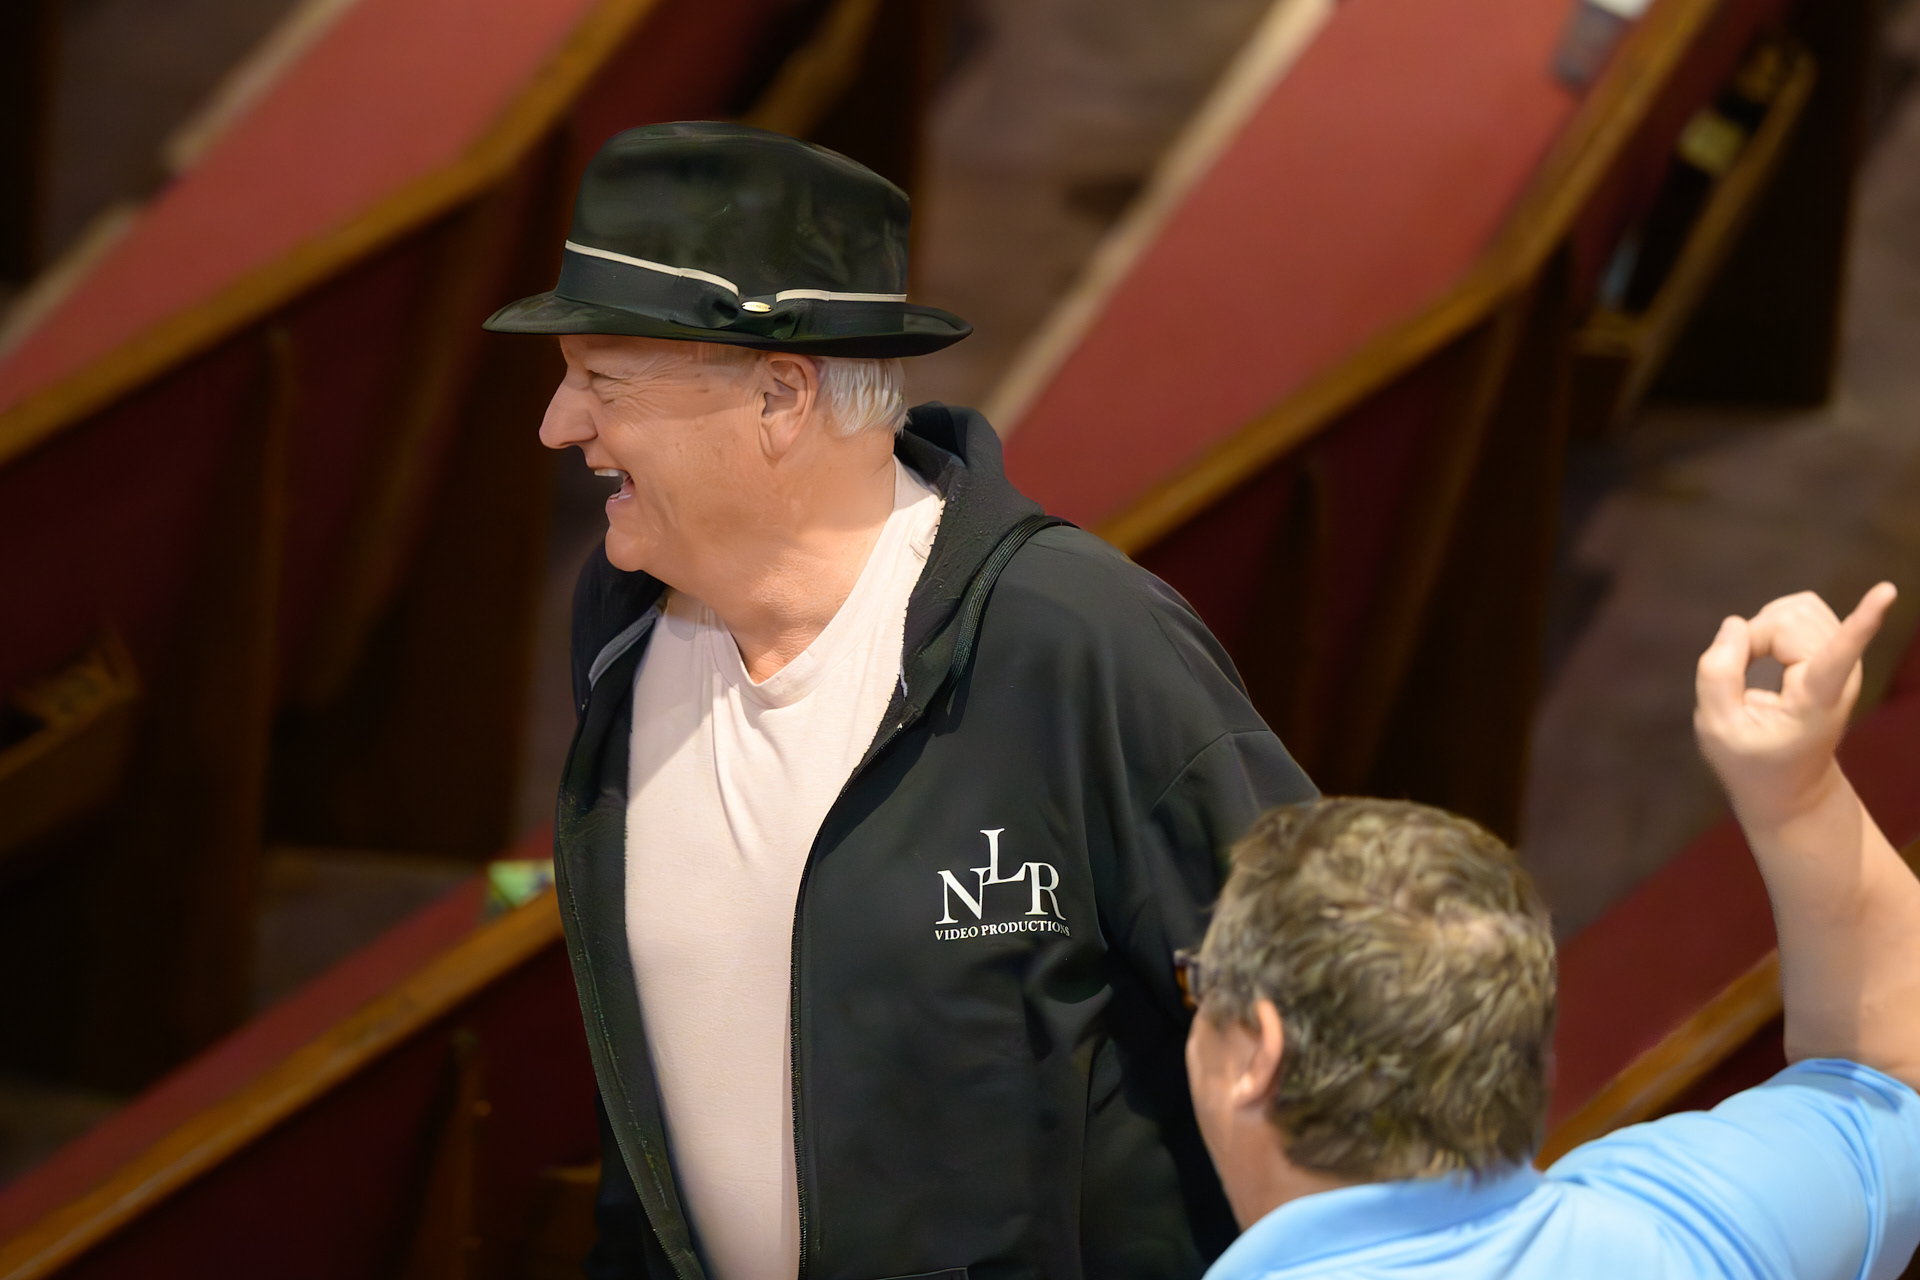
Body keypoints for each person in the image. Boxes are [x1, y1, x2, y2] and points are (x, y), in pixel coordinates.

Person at [482, 122, 1317, 1280]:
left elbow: (1329, 1026)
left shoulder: (1076, 641)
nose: (557, 423)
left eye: (601, 379)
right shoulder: (622, 619)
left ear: (780, 395)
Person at [1182, 581, 1920, 1279]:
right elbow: (1893, 1081)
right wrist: (1796, 795)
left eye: (1200, 983)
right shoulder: (1691, 1226)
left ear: (1257, 1053)